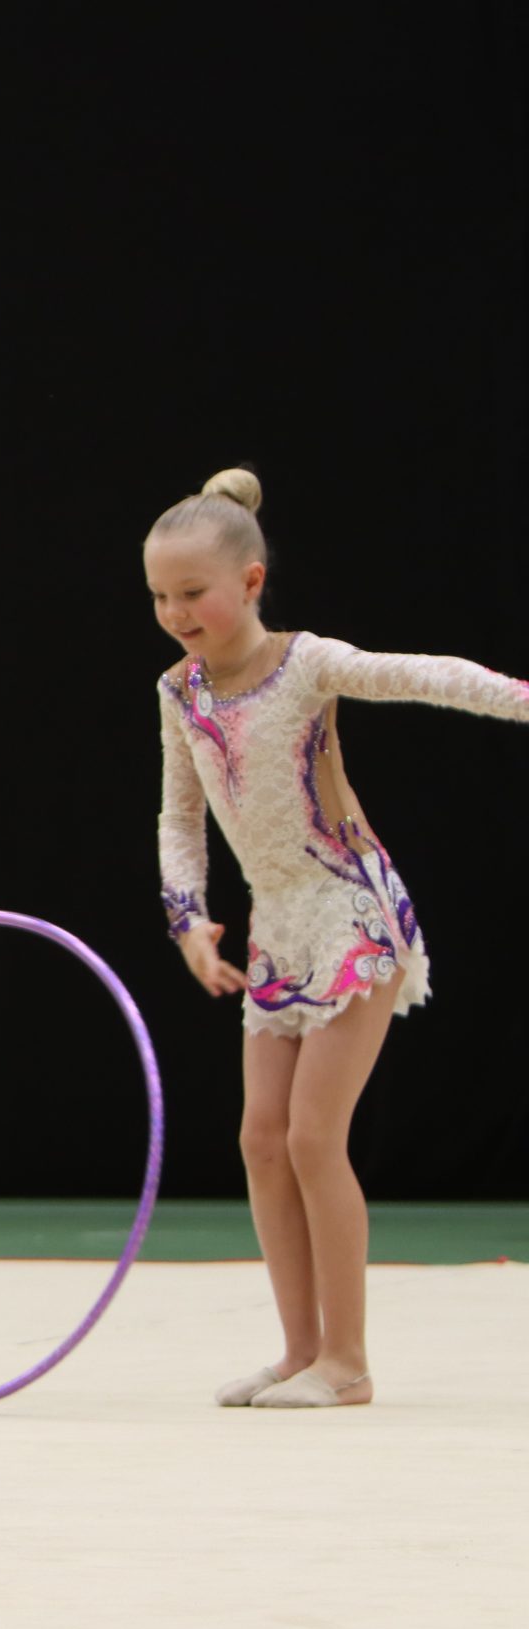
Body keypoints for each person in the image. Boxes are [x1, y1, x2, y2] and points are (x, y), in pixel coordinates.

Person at [149, 468, 529, 1410]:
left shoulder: (306, 663)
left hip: (352, 909)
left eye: (192, 592)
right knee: (262, 1140)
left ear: (251, 581)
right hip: (277, 925)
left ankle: (347, 1362)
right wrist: (188, 917)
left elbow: (424, 674)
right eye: (159, 596)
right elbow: (179, 815)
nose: (175, 613)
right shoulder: (179, 690)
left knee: (315, 1136)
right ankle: (299, 1350)